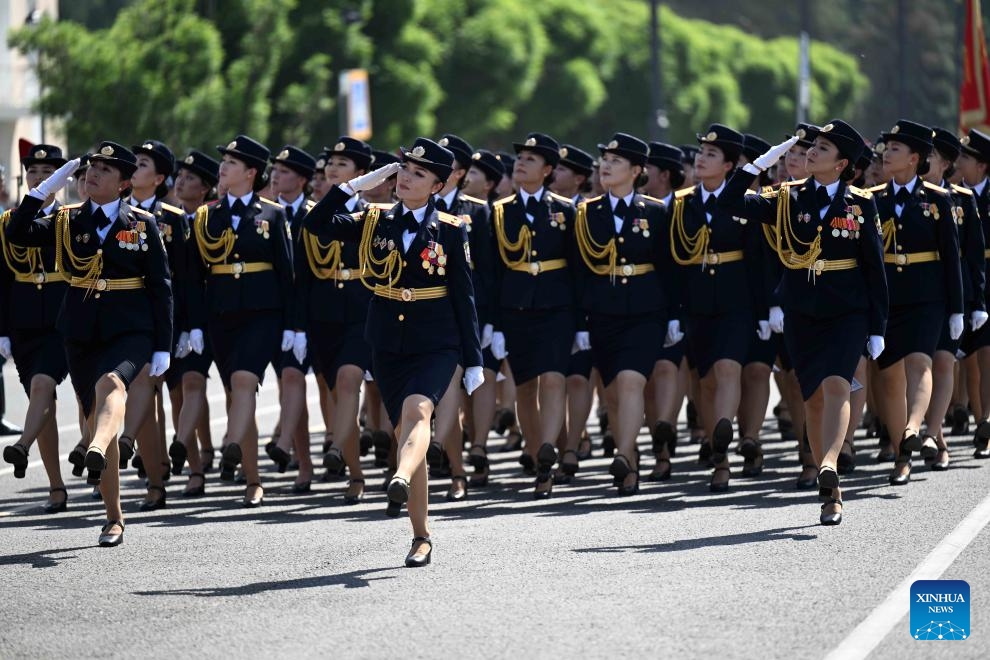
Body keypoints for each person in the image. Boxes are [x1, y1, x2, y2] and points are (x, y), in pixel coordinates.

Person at [303, 137, 483, 567]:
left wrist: (473, 358)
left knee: (419, 414)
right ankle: (421, 534)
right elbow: (317, 225)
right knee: (405, 428)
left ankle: (398, 475)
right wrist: (356, 185)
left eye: (419, 173)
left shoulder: (453, 229)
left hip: (437, 341)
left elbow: (464, 297)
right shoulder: (372, 220)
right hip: (387, 342)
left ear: (437, 186)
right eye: (404, 168)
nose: (405, 177)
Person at [721, 119, 888, 525]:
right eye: (812, 146)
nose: (812, 152)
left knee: (836, 386)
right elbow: (730, 202)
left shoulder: (860, 203)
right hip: (801, 311)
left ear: (843, 163)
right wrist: (762, 162)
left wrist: (878, 327)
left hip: (846, 311)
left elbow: (874, 269)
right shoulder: (785, 198)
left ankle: (828, 462)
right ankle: (830, 490)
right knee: (812, 396)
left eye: (823, 149)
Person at [6, 143, 173, 545]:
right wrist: (48, 185)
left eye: (104, 169)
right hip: (80, 332)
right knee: (95, 409)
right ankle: (114, 517)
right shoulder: (66, 221)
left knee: (112, 387)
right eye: (90, 168)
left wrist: (163, 345)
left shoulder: (142, 223)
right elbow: (17, 231)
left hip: (130, 329)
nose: (92, 174)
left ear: (123, 183)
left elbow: (161, 288)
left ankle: (94, 447)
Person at [190, 134, 293, 507]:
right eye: (224, 161)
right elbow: (193, 276)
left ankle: (231, 445)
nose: (223, 167)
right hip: (220, 314)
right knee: (237, 392)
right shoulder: (207, 216)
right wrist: (195, 323)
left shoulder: (272, 214)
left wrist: (294, 326)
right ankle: (252, 478)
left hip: (262, 313)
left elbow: (287, 273)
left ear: (251, 172)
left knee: (244, 382)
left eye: (232, 163)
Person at [574, 133, 672, 494]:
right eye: (604, 161)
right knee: (613, 391)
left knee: (632, 381)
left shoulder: (657, 212)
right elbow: (578, 272)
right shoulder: (585, 213)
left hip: (646, 310)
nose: (606, 167)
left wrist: (674, 316)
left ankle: (625, 452)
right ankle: (630, 462)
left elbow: (668, 267)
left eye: (615, 161)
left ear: (635, 170)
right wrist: (578, 322)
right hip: (602, 312)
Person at [668, 124, 764, 493]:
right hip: (696, 301)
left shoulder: (744, 200)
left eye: (710, 154)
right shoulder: (682, 203)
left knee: (728, 368)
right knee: (705, 380)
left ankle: (723, 444)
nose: (700, 159)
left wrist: (766, 307)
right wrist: (675, 311)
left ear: (729, 165)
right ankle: (718, 451)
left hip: (736, 299)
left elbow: (758, 258)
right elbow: (673, 262)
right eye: (700, 153)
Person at [869, 120, 962, 486]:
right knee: (889, 378)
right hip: (888, 297)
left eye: (894, 149)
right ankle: (901, 453)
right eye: (886, 147)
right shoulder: (872, 200)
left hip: (927, 297)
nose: (886, 154)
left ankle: (912, 427)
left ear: (914, 158)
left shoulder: (938, 200)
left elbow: (951, 257)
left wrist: (956, 308)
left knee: (921, 362)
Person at [492, 132, 579, 498]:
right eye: (519, 157)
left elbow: (578, 267)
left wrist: (582, 320)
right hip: (515, 309)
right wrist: (492, 323)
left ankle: (547, 451)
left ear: (548, 170)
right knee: (525, 387)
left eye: (531, 158)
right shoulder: (497, 212)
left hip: (557, 307)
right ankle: (535, 452)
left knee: (554, 378)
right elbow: (490, 271)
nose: (521, 162)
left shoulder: (566, 209)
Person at [300, 137, 375, 504]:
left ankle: (348, 462)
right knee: (331, 387)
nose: (332, 168)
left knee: (348, 381)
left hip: (361, 309)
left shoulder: (374, 214)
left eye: (343, 164)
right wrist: (297, 325)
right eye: (330, 162)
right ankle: (349, 461)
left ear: (361, 175)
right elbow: (302, 273)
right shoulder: (315, 213)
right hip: (323, 310)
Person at [423, 134, 495, 502]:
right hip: (432, 314)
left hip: (471, 312)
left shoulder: (478, 211)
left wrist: (493, 322)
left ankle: (478, 445)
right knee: (447, 388)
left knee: (474, 387)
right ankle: (456, 468)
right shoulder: (418, 209)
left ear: (459, 173)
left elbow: (489, 271)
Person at [0, 144, 71, 512]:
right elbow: (2, 280)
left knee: (49, 387)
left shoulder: (71, 218)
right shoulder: (8, 223)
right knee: (42, 401)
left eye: (48, 173)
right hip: (25, 320)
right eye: (34, 173)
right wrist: (2, 329)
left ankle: (90, 455)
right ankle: (56, 487)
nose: (39, 179)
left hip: (64, 318)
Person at [922, 129, 987, 470]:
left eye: (928, 154)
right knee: (918, 366)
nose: (922, 159)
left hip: (953, 293)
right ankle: (937, 436)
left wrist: (976, 303)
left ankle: (933, 434)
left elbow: (974, 255)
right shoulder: (911, 194)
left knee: (944, 362)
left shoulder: (962, 198)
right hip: (916, 294)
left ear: (945, 163)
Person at [264, 144, 317, 494]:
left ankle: (292, 446)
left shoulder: (314, 214)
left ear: (301, 179)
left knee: (308, 383)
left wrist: (301, 323)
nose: (276, 176)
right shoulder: (266, 214)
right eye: (275, 170)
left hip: (313, 311)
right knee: (289, 381)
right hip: (277, 312)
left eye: (284, 171)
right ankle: (304, 461)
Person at [169, 149, 219, 495]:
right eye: (179, 177)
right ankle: (194, 462)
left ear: (204, 189)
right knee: (177, 393)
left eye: (189, 179)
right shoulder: (165, 219)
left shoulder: (213, 218)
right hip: (176, 316)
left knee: (194, 384)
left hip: (213, 313)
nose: (180, 182)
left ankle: (201, 453)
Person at [641, 142, 688, 480]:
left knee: (670, 369)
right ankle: (660, 442)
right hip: (650, 303)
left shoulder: (686, 207)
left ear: (665, 174)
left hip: (687, 302)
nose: (642, 175)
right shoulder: (644, 209)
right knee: (647, 377)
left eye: (648, 169)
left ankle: (667, 432)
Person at [957, 128, 990, 459]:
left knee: (987, 355)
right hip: (966, 280)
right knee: (970, 359)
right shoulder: (953, 197)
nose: (959, 162)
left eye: (965, 158)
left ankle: (985, 422)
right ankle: (978, 417)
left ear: (981, 166)